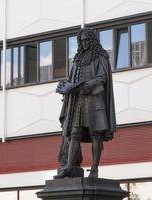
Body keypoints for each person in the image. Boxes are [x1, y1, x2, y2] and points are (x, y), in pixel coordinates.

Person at [54, 27, 116, 179]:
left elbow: (102, 77)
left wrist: (88, 86)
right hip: (78, 101)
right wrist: (65, 86)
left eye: (88, 40)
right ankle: (69, 167)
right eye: (82, 41)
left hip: (94, 100)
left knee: (96, 135)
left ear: (92, 40)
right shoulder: (77, 59)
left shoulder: (100, 57)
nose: (85, 43)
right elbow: (72, 80)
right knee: (74, 134)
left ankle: (94, 170)